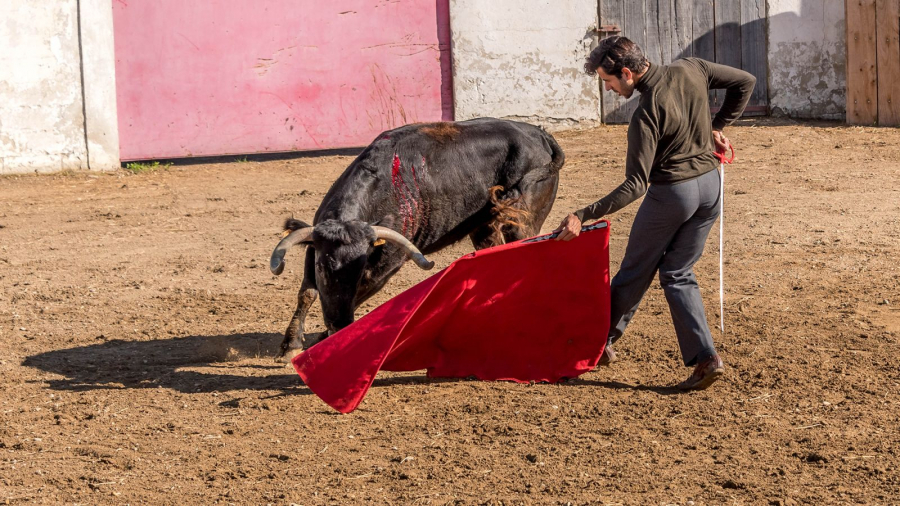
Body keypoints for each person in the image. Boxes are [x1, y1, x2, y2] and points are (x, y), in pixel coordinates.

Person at [554, 36, 755, 391]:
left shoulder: (645, 114)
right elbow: (745, 82)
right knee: (677, 272)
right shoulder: (693, 68)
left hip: (672, 195)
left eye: (609, 81)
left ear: (628, 73)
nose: (610, 89)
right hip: (710, 188)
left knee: (634, 271)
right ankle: (706, 358)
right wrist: (718, 126)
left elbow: (635, 185)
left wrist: (583, 214)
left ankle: (595, 345)